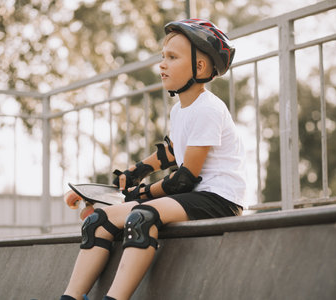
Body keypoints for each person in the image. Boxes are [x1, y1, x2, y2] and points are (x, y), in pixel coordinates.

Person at [60, 18, 245, 300]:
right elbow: (172, 151)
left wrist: (141, 192)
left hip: (219, 199)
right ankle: (70, 298)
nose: (162, 64)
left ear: (199, 67)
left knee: (142, 216)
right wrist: (135, 172)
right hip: (193, 197)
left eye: (172, 57)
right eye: (163, 57)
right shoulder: (180, 110)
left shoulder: (208, 109)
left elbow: (185, 178)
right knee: (97, 220)